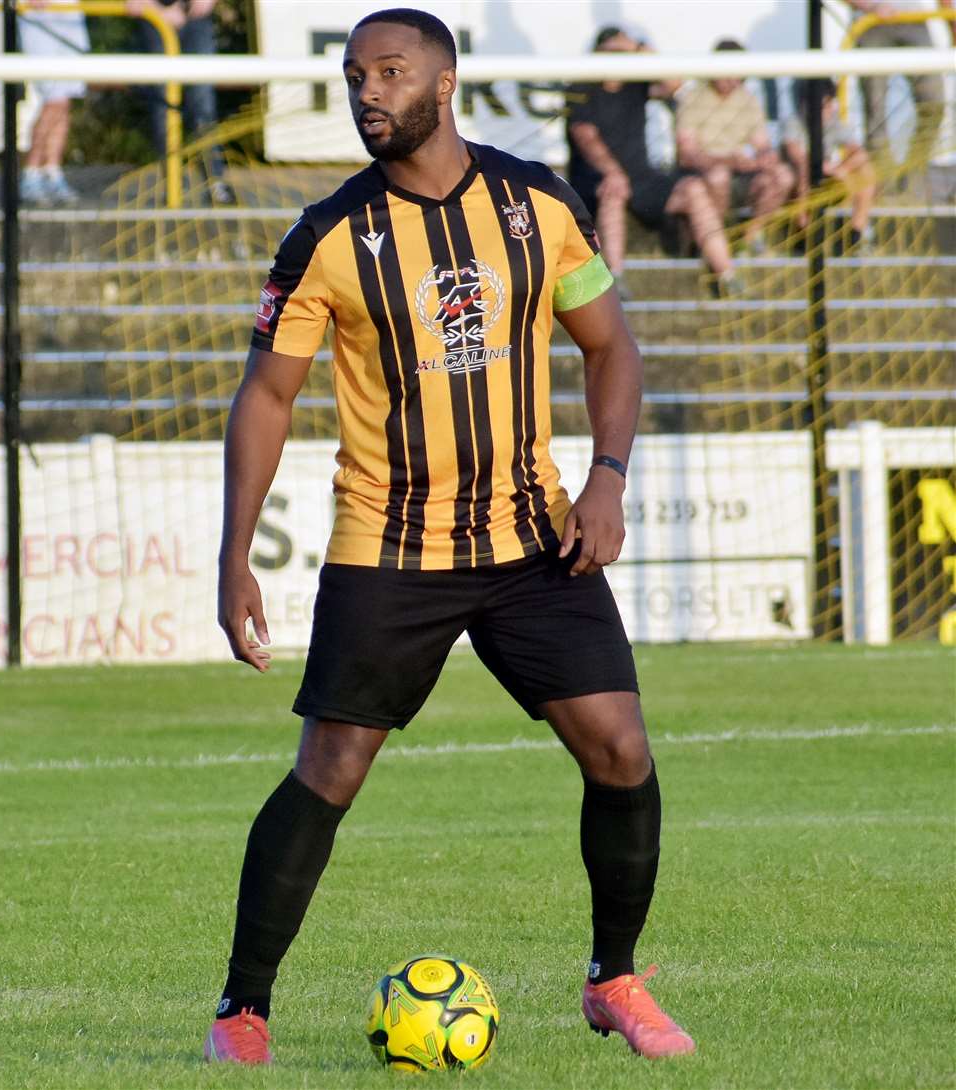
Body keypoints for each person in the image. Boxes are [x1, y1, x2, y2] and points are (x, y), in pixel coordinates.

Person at [205, 6, 696, 1067]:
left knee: (620, 747)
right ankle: (243, 1009)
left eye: (388, 71)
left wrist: (607, 479)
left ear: (445, 82)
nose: (368, 92)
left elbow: (611, 347)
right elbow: (267, 394)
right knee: (330, 768)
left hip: (531, 539)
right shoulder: (328, 235)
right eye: (352, 75)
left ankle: (615, 979)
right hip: (389, 546)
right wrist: (234, 550)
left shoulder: (537, 204)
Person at [566, 26, 740, 298]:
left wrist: (639, 47)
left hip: (640, 177)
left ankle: (726, 274)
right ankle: (615, 279)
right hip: (596, 180)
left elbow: (674, 82)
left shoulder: (636, 83)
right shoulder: (581, 89)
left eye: (623, 53)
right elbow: (586, 138)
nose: (618, 60)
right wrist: (613, 172)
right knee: (614, 191)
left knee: (693, 188)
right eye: (612, 52)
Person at [675, 40, 795, 256]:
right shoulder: (693, 98)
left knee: (783, 176)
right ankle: (715, 239)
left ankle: (750, 239)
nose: (733, 79)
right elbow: (687, 154)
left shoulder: (748, 100)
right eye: (727, 72)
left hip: (743, 173)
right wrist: (727, 161)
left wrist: (765, 158)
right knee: (718, 176)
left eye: (738, 73)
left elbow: (762, 145)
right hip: (706, 173)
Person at [128, 0, 234, 203]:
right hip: (154, 20)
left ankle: (214, 181)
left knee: (202, 105)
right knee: (164, 106)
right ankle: (173, 184)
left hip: (196, 20)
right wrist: (159, 11)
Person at [842, 0, 952, 162]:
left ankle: (913, 174)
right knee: (875, 110)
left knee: (934, 103)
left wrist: (952, 22)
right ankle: (883, 178)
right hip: (871, 22)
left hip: (916, 20)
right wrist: (870, 6)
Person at [782, 79, 878, 251]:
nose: (825, 110)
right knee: (803, 172)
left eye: (828, 104)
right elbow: (796, 155)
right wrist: (820, 165)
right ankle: (802, 232)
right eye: (821, 105)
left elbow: (860, 153)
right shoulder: (794, 123)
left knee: (866, 172)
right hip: (799, 181)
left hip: (828, 177)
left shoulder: (834, 123)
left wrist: (841, 169)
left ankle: (856, 234)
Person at [18, 1, 90, 205]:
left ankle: (52, 171)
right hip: (40, 18)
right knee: (54, 100)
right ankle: (31, 172)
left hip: (69, 17)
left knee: (64, 102)